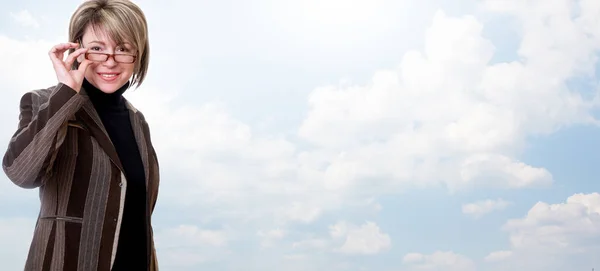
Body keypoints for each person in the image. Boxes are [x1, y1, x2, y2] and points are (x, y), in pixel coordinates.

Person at [2, 0, 160, 270]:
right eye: (97, 49)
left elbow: (139, 217)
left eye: (123, 49)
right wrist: (66, 92)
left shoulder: (137, 121)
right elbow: (20, 173)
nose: (110, 62)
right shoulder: (43, 102)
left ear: (138, 55)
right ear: (78, 48)